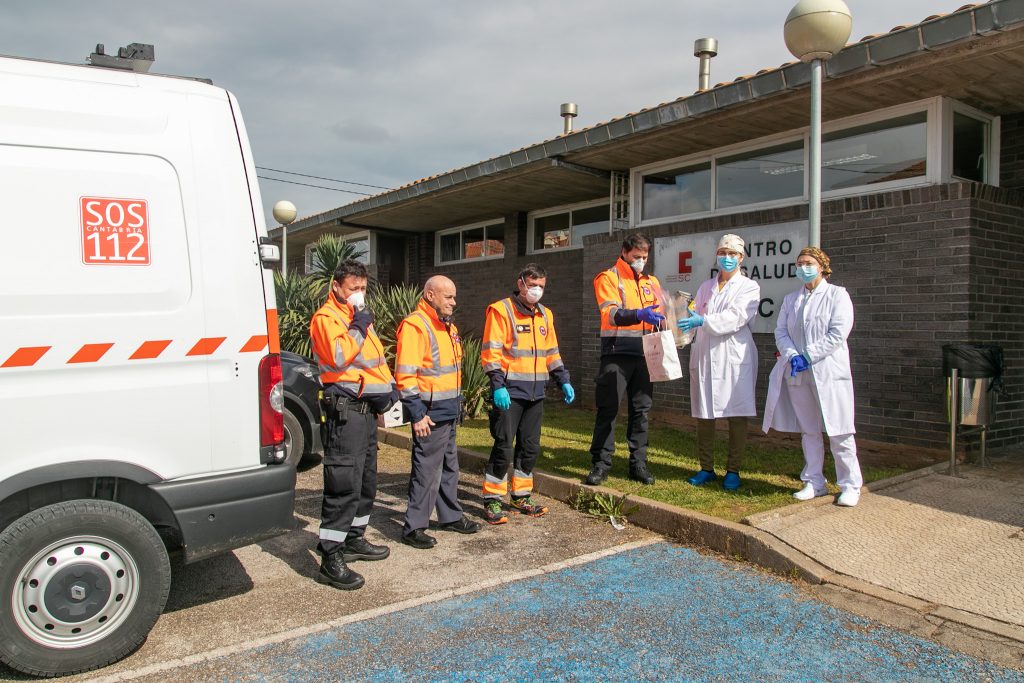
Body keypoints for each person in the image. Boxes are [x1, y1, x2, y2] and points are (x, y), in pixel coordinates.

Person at [309, 259, 398, 590]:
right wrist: (359, 326)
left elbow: (374, 363)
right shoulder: (327, 318)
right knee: (343, 483)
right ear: (336, 287)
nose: (359, 294)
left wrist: (390, 390)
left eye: (362, 289)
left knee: (366, 481)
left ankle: (354, 539)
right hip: (345, 413)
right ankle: (330, 555)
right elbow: (337, 356)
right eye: (353, 289)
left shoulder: (357, 318)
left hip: (366, 412)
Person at [762, 247, 863, 507]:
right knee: (809, 431)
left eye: (808, 262)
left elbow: (838, 332)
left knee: (839, 430)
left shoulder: (837, 295)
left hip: (828, 372)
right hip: (798, 373)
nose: (803, 267)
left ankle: (850, 485)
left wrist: (808, 355)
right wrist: (793, 355)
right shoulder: (790, 299)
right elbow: (781, 331)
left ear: (821, 266)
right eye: (799, 263)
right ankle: (814, 481)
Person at [480, 264, 575, 524]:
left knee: (530, 447)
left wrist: (563, 380)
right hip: (509, 392)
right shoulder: (501, 311)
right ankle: (492, 500)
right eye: (532, 284)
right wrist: (497, 385)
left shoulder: (545, 314)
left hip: (535, 393)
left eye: (541, 286)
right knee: (503, 447)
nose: (536, 290)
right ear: (520, 282)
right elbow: (491, 353)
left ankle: (521, 496)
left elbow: (551, 353)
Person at [396, 275, 481, 548]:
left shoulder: (446, 326)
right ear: (430, 295)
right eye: (449, 297)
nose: (454, 302)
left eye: (454, 297)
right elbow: (405, 376)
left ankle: (450, 516)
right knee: (426, 472)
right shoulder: (415, 326)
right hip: (430, 413)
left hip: (448, 409)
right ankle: (414, 528)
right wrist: (417, 414)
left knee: (449, 468)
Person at [679, 234, 761, 491]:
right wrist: (685, 321)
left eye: (732, 254)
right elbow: (695, 314)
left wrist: (703, 321)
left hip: (733, 356)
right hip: (705, 355)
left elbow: (736, 317)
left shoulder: (749, 287)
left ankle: (733, 470)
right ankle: (706, 468)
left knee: (736, 414)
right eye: (723, 253)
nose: (726, 258)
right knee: (705, 413)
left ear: (741, 257)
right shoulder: (705, 287)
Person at [586, 233, 665, 486]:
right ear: (624, 252)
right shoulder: (608, 277)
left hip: (645, 354)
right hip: (617, 353)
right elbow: (610, 314)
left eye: (644, 258)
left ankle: (638, 464)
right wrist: (638, 314)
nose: (641, 262)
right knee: (608, 410)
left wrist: (676, 311)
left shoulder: (652, 281)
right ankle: (600, 464)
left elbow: (661, 312)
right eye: (636, 257)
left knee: (641, 411)